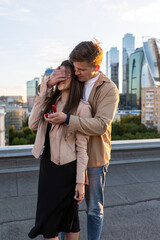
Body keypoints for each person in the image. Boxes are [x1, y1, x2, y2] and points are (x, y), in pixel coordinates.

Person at [46, 41, 119, 240]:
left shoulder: (109, 89)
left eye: (81, 69)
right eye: (74, 67)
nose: (76, 72)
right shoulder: (75, 78)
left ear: (96, 67)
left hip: (95, 157)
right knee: (65, 206)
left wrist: (68, 120)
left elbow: (101, 125)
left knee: (94, 208)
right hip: (70, 156)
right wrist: (47, 83)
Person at [28, 60, 92, 240]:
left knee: (70, 221)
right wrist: (45, 87)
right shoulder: (49, 101)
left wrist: (80, 182)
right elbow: (32, 124)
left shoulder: (81, 107)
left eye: (67, 74)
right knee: (48, 226)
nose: (62, 77)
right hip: (48, 168)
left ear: (75, 78)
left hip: (68, 170)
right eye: (59, 73)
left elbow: (82, 147)